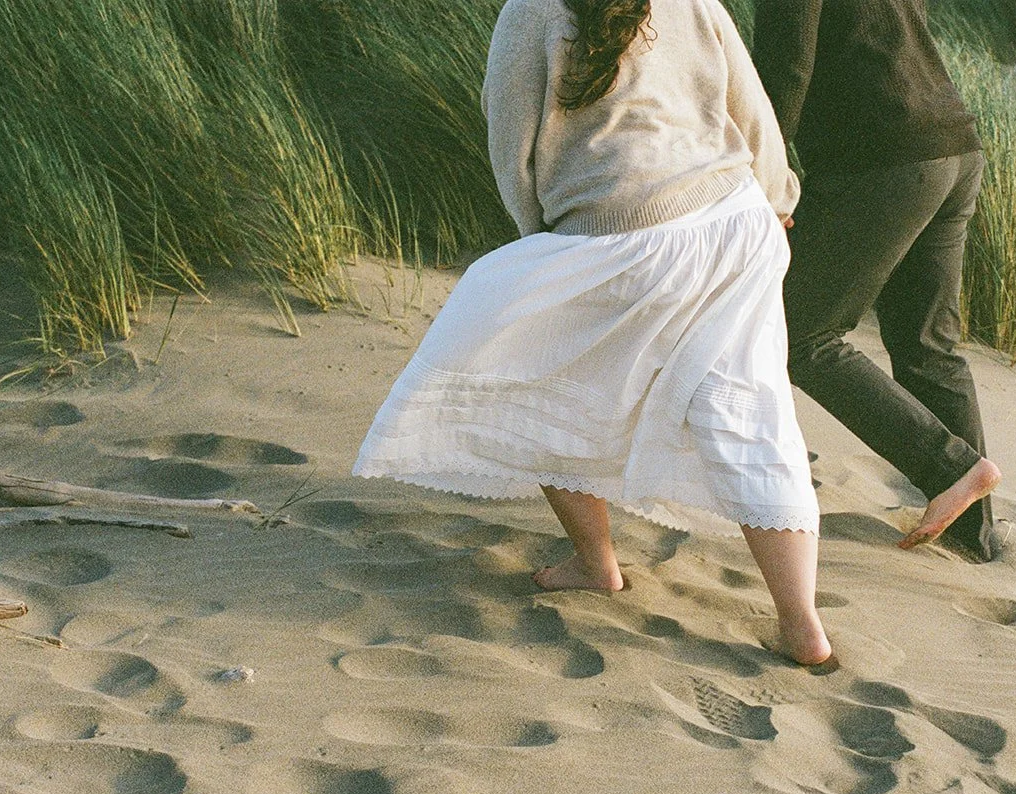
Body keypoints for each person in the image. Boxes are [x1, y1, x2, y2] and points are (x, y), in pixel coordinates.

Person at [353, 0, 834, 669]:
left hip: (626, 231)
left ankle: (595, 560)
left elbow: (511, 143)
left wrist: (545, 247)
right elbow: (750, 109)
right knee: (748, 407)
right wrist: (779, 199)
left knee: (535, 368)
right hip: (736, 221)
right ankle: (801, 622)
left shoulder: (531, 11)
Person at [753, 0, 1002, 561]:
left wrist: (761, 180)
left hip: (884, 157)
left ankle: (951, 468)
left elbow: (786, 69)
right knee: (928, 347)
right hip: (952, 146)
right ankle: (971, 540)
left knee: (799, 333)